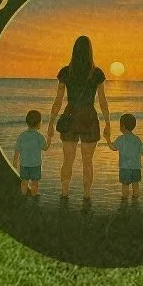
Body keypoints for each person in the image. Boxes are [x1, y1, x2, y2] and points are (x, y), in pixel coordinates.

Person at [45, 34, 110, 206]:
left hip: (70, 116)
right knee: (87, 162)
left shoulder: (66, 72)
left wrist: (51, 122)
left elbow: (58, 100)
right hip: (89, 118)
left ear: (74, 51)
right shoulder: (96, 73)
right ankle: (86, 195)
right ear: (90, 51)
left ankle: (64, 193)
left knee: (68, 159)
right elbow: (102, 101)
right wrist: (108, 123)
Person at [109, 113, 143, 206]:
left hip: (124, 168)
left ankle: (124, 202)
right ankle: (135, 202)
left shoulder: (121, 139)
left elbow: (113, 147)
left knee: (125, 185)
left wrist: (107, 139)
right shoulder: (137, 139)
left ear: (123, 126)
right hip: (136, 167)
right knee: (135, 184)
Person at [13, 110, 46, 198]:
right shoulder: (39, 136)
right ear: (39, 123)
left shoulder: (22, 135)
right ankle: (34, 195)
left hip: (24, 164)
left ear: (27, 122)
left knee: (24, 181)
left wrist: (15, 160)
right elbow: (45, 148)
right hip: (35, 164)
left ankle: (23, 195)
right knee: (35, 182)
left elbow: (17, 149)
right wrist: (49, 138)